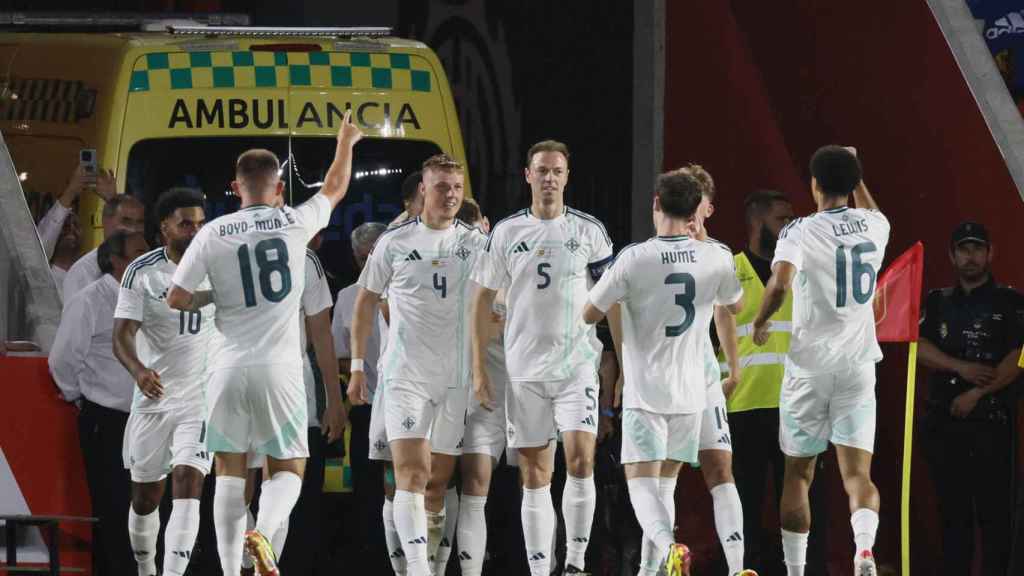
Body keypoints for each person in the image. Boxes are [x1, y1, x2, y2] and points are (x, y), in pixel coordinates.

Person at [166, 112, 362, 575]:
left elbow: (175, 297)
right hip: (280, 368)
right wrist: (346, 141)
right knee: (289, 469)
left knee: (231, 476)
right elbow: (334, 186)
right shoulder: (294, 222)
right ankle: (266, 529)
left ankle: (233, 568)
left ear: (236, 187)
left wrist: (218, 296)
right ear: (277, 187)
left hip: (226, 368)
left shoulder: (212, 232)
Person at [583, 167, 745, 576]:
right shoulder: (717, 257)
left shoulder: (635, 258)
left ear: (655, 204)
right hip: (692, 392)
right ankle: (654, 570)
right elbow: (737, 307)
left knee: (639, 478)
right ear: (696, 211)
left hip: (646, 389)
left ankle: (669, 547)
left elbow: (589, 312)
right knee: (667, 482)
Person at [471, 140, 614, 576]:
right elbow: (480, 301)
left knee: (581, 459)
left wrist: (620, 365)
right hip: (524, 371)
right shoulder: (507, 232)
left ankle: (574, 563)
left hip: (576, 368)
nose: (549, 178)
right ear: (527, 176)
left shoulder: (590, 230)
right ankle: (539, 568)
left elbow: (614, 299)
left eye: (557, 171)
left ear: (567, 177)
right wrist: (479, 366)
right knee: (535, 473)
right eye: (542, 171)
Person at [751, 146, 889, 576]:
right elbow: (872, 207)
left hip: (809, 369)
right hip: (857, 366)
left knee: (798, 475)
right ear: (853, 185)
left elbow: (778, 285)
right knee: (857, 476)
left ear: (813, 184)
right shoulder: (876, 225)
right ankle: (863, 549)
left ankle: (796, 570)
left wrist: (761, 319)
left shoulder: (800, 231)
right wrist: (856, 171)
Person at [349, 153, 488, 576]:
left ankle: (428, 565)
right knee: (409, 473)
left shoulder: (476, 242)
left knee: (437, 483)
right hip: (405, 375)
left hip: (455, 378)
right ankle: (415, 569)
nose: (450, 195)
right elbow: (364, 302)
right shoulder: (395, 241)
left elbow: (498, 299)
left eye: (457, 188)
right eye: (442, 187)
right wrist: (357, 366)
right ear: (423, 190)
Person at [111, 188, 214, 576]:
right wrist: (138, 370)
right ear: (164, 228)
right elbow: (121, 334)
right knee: (146, 497)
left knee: (189, 483)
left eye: (200, 223)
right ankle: (146, 568)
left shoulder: (216, 266)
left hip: (200, 399)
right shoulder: (143, 271)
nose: (195, 230)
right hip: (155, 399)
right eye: (186, 223)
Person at [917, 221, 1023, 576]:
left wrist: (979, 392)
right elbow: (919, 349)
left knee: (996, 518)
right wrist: (961, 368)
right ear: (952, 255)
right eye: (964, 249)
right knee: (952, 517)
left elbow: (1018, 358)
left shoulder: (1011, 301)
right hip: (944, 425)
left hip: (992, 424)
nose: (971, 256)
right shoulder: (937, 301)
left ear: (991, 253)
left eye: (978, 248)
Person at [49, 230, 150, 575]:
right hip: (107, 422)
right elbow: (62, 362)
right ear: (117, 261)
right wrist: (83, 397)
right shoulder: (90, 300)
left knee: (146, 513)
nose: (149, 258)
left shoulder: (153, 298)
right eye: (140, 252)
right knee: (113, 513)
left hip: (147, 422)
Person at [333, 222, 389, 565]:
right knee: (378, 488)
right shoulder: (347, 297)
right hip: (370, 403)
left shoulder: (350, 296)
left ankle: (378, 555)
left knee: (382, 487)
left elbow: (339, 356)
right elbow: (339, 356)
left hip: (377, 402)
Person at [63, 188, 145, 305]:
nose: (134, 229)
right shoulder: (82, 272)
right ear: (105, 221)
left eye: (140, 223)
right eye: (126, 221)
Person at [51, 215, 81, 301]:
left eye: (76, 225)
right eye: (65, 225)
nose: (71, 229)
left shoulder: (88, 272)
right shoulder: (45, 275)